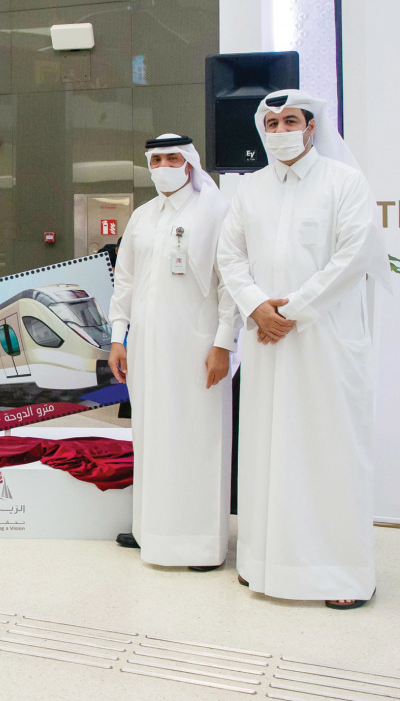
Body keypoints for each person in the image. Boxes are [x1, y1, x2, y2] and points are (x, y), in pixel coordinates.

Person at [217, 89, 386, 609]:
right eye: (271, 123)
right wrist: (256, 306)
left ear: (312, 127)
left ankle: (341, 576)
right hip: (266, 340)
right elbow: (230, 255)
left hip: (325, 341)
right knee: (267, 447)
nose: (281, 131)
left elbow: (354, 255)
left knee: (330, 449)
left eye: (291, 121)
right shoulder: (249, 189)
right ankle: (262, 563)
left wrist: (290, 311)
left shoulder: (344, 181)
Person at [108, 135, 240, 571]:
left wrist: (223, 343)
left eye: (173, 158)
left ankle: (199, 545)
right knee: (150, 434)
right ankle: (150, 529)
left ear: (189, 163)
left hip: (197, 345)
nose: (164, 166)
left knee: (197, 437)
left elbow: (230, 283)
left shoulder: (216, 211)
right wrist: (118, 336)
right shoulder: (143, 216)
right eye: (156, 160)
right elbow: (125, 280)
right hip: (147, 346)